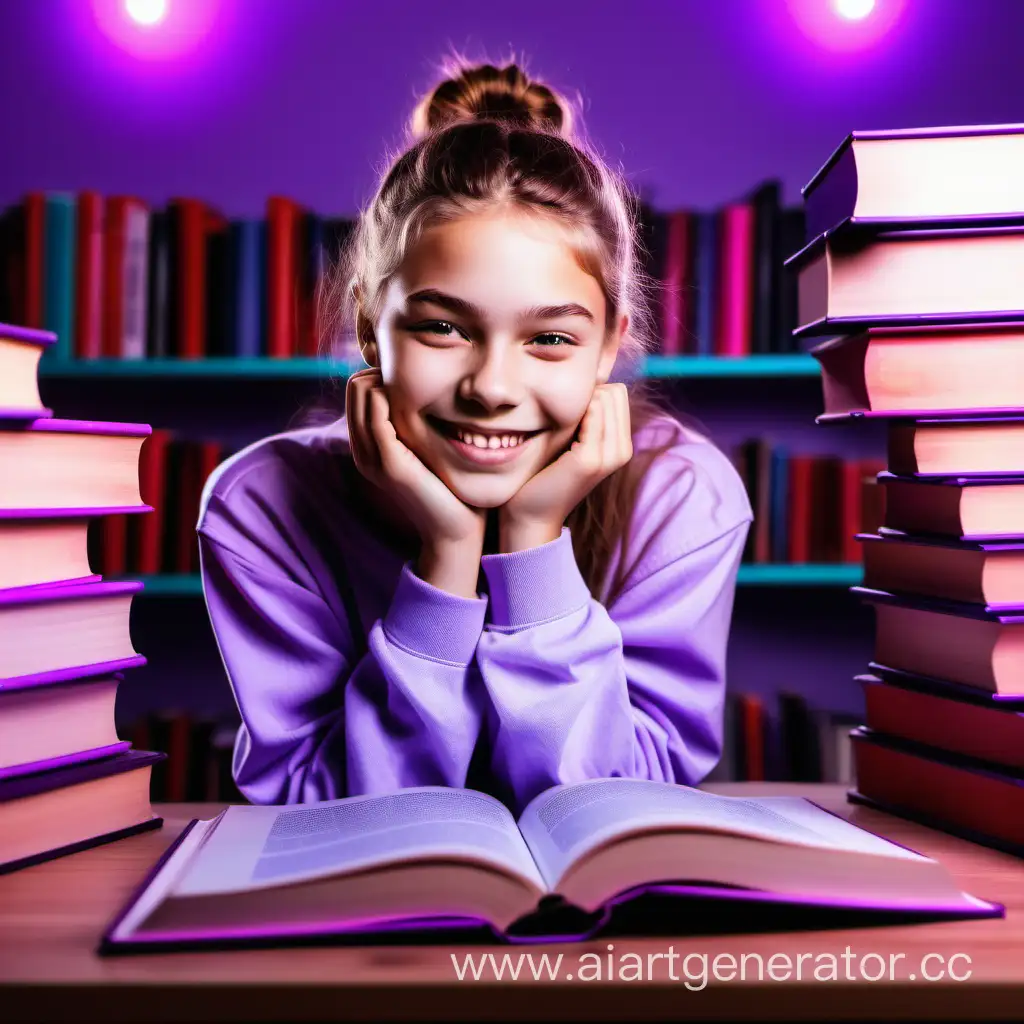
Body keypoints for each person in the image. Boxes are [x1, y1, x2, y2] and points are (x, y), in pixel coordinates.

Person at [196, 56, 753, 815]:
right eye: (443, 328)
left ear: (610, 347)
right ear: (367, 326)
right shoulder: (259, 505)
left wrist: (532, 548)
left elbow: (634, 801)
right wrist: (447, 557)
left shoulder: (682, 494)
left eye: (550, 339)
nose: (491, 388)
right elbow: (311, 802)